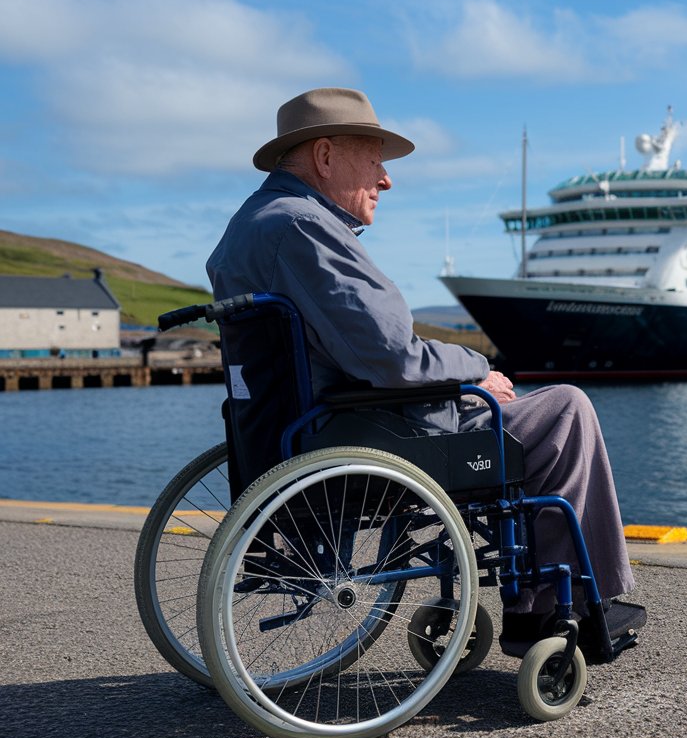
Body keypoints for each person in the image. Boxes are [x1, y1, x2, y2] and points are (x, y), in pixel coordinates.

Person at [206, 87, 644, 647]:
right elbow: (390, 355)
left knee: (531, 412)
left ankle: (549, 597)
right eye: (376, 161)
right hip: (369, 436)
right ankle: (558, 609)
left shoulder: (248, 227)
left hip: (292, 436)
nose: (386, 180)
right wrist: (475, 368)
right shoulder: (303, 228)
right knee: (566, 410)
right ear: (324, 156)